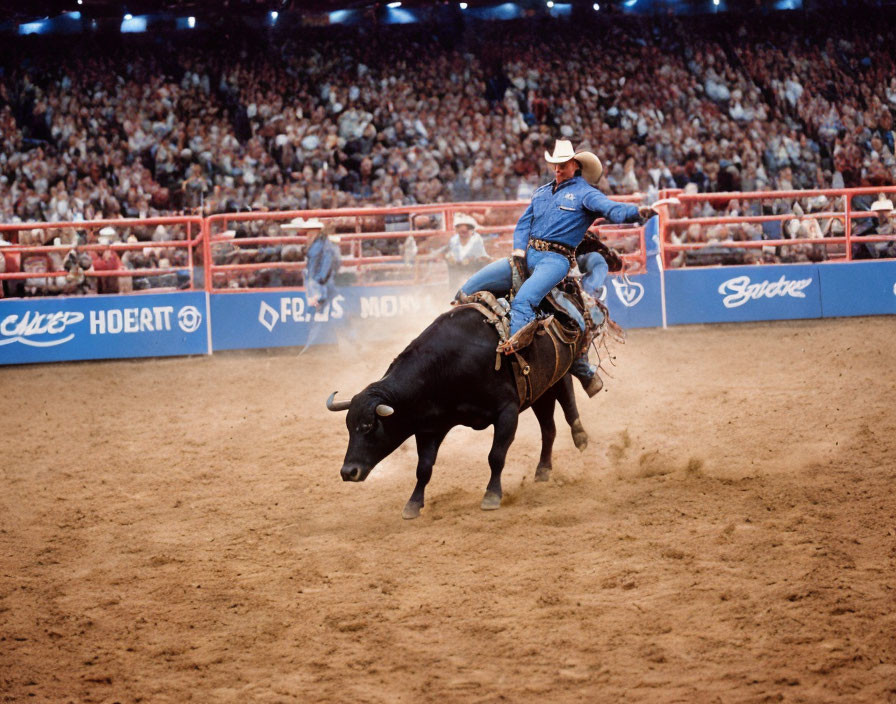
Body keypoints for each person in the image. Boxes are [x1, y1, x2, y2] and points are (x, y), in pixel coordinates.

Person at [458, 139, 652, 347]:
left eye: (563, 165)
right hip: (527, 255)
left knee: (523, 302)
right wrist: (518, 251)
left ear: (575, 165)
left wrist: (637, 212)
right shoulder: (541, 193)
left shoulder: (586, 193)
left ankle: (515, 353)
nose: (558, 170)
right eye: (556, 165)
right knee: (466, 290)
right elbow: (523, 225)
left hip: (555, 260)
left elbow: (612, 209)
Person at [302, 217, 341, 312]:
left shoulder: (323, 245)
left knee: (319, 306)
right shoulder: (319, 244)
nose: (309, 235)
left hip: (321, 284)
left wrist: (320, 279)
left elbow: (327, 262)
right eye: (308, 232)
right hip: (318, 283)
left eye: (311, 232)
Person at [446, 213, 490, 291]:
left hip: (475, 267)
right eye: (460, 229)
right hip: (458, 266)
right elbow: (449, 253)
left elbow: (481, 257)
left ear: (472, 230)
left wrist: (470, 260)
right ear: (457, 230)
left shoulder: (477, 240)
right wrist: (449, 257)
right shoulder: (454, 240)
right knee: (451, 266)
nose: (463, 232)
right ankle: (453, 292)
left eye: (467, 229)